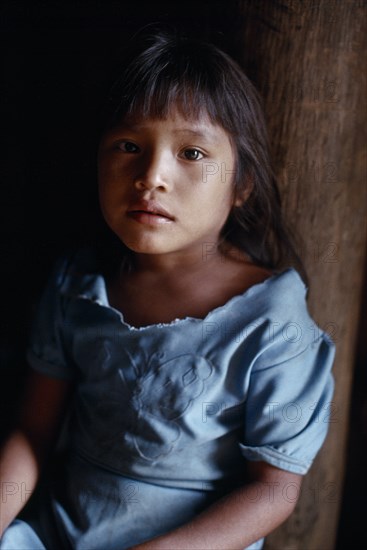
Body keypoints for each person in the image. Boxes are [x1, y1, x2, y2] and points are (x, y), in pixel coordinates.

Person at [0, 29, 335, 550]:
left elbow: (272, 492)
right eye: (129, 146)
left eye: (193, 152)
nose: (151, 176)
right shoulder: (79, 286)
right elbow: (33, 434)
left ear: (242, 183)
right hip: (59, 533)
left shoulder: (274, 325)